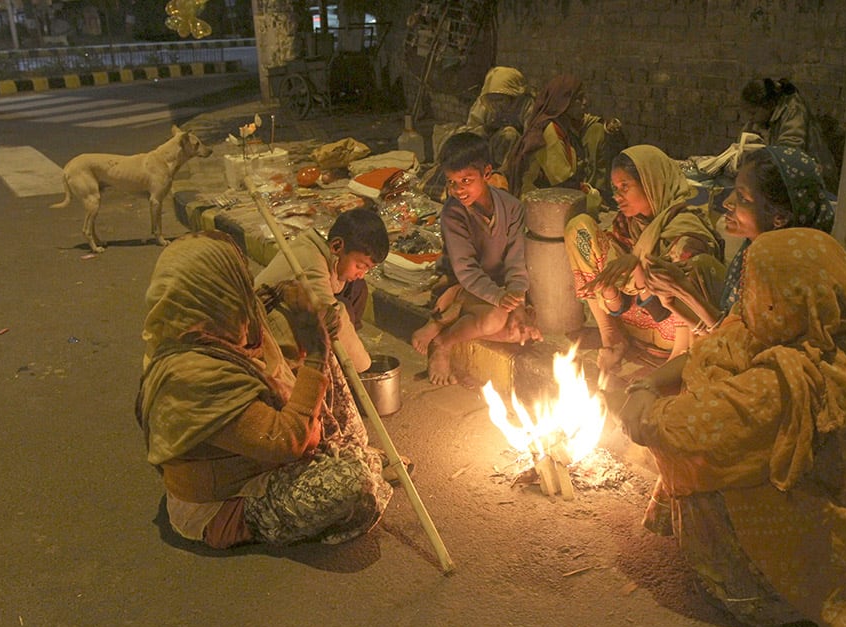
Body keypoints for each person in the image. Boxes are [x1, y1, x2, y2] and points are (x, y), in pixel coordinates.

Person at [617, 227, 846, 627]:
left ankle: (752, 596)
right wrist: (650, 382)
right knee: (710, 382)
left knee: (705, 461)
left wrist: (639, 400)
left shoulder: (792, 380)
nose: (746, 296)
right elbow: (722, 343)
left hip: (845, 577)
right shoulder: (832, 332)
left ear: (777, 294)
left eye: (752, 285)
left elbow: (675, 427)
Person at [136, 231, 391, 549]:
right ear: (212, 289)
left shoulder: (209, 326)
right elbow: (288, 442)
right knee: (352, 485)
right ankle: (353, 464)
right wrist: (314, 352)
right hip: (228, 501)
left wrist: (292, 306)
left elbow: (260, 319)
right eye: (234, 282)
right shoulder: (191, 378)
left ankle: (349, 453)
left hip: (258, 459)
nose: (241, 290)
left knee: (323, 348)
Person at [643, 145, 846, 360]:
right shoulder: (755, 249)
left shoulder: (791, 271)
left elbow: (746, 353)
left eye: (742, 197)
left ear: (779, 217)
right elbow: (730, 330)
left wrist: (684, 290)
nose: (727, 203)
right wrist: (675, 299)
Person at [565, 145, 726, 373]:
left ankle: (679, 357)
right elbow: (619, 304)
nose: (617, 197)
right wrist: (609, 290)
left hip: (675, 330)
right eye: (615, 188)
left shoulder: (686, 228)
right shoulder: (627, 223)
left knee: (686, 261)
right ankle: (612, 338)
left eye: (625, 187)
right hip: (634, 325)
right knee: (579, 228)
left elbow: (664, 308)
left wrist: (639, 270)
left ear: (652, 183)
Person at [411, 132, 542, 385]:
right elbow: (466, 270)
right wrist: (502, 301)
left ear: (487, 173)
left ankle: (446, 321)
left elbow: (516, 261)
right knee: (495, 318)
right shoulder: (453, 213)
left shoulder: (512, 207)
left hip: (498, 289)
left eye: (466, 180)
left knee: (520, 332)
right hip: (459, 285)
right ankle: (442, 343)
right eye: (451, 182)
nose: (458, 190)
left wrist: (516, 301)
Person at [254, 208, 389, 373]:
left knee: (357, 288)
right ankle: (338, 362)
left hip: (295, 306)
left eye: (368, 269)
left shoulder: (327, 254)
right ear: (337, 246)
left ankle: (343, 356)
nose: (362, 273)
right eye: (360, 266)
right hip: (265, 323)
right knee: (339, 315)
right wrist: (363, 366)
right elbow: (331, 316)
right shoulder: (310, 261)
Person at [504, 74, 620, 211]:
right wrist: (592, 197)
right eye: (578, 98)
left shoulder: (563, 125)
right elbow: (563, 183)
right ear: (564, 102)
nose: (585, 102)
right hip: (537, 205)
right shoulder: (550, 131)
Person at [740, 77, 839, 190]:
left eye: (753, 113)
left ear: (770, 105)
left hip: (816, 180)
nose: (750, 118)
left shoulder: (794, 111)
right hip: (790, 175)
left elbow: (789, 151)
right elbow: (747, 134)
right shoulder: (764, 116)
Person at [455, 66, 535, 172]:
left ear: (513, 97)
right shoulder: (485, 105)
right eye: (492, 100)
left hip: (516, 156)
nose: (496, 104)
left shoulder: (526, 105)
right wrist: (487, 129)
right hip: (487, 151)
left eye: (500, 100)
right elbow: (471, 133)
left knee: (509, 134)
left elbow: (530, 136)